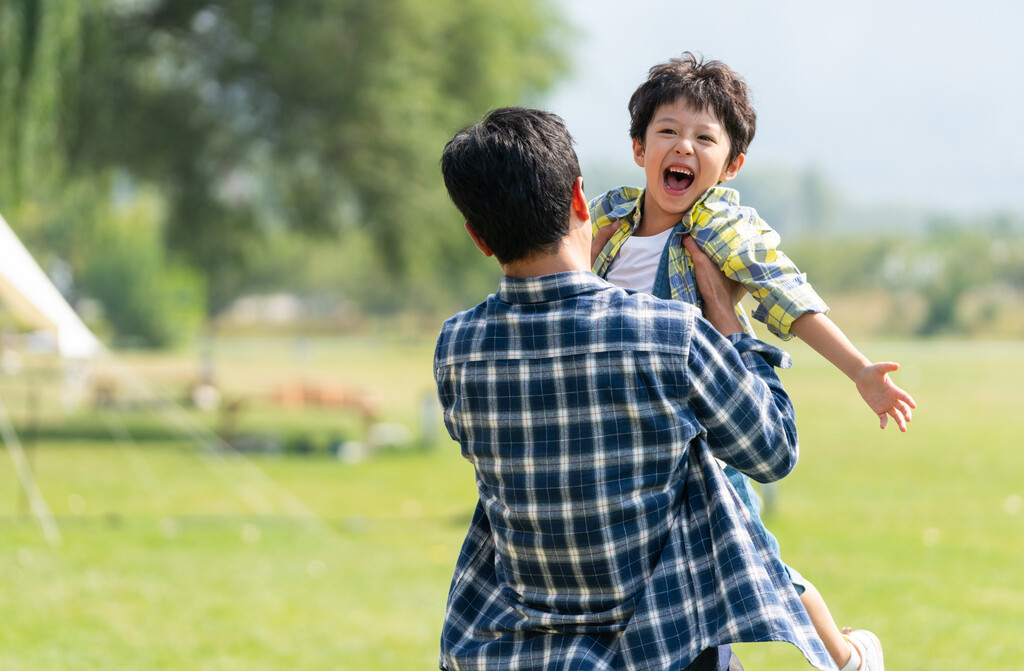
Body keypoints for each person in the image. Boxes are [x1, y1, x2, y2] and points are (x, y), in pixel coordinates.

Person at [435, 106, 835, 671]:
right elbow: (772, 450)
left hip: (507, 652)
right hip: (665, 649)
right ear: (580, 200)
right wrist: (727, 322)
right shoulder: (669, 334)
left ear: (479, 237)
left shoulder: (457, 348)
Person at [590, 53, 903, 671]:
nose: (684, 146)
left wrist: (859, 369)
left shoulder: (719, 228)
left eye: (704, 137)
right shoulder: (610, 220)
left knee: (755, 559)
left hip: (696, 444)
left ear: (730, 165)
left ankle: (844, 656)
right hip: (622, 439)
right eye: (668, 132)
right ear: (638, 147)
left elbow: (781, 291)